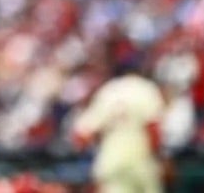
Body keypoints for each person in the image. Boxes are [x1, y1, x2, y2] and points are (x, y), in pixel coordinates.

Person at [72, 64, 169, 193]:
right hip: (141, 160)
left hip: (111, 160)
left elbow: (82, 134)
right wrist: (162, 159)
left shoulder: (109, 90)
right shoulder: (146, 88)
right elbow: (153, 128)